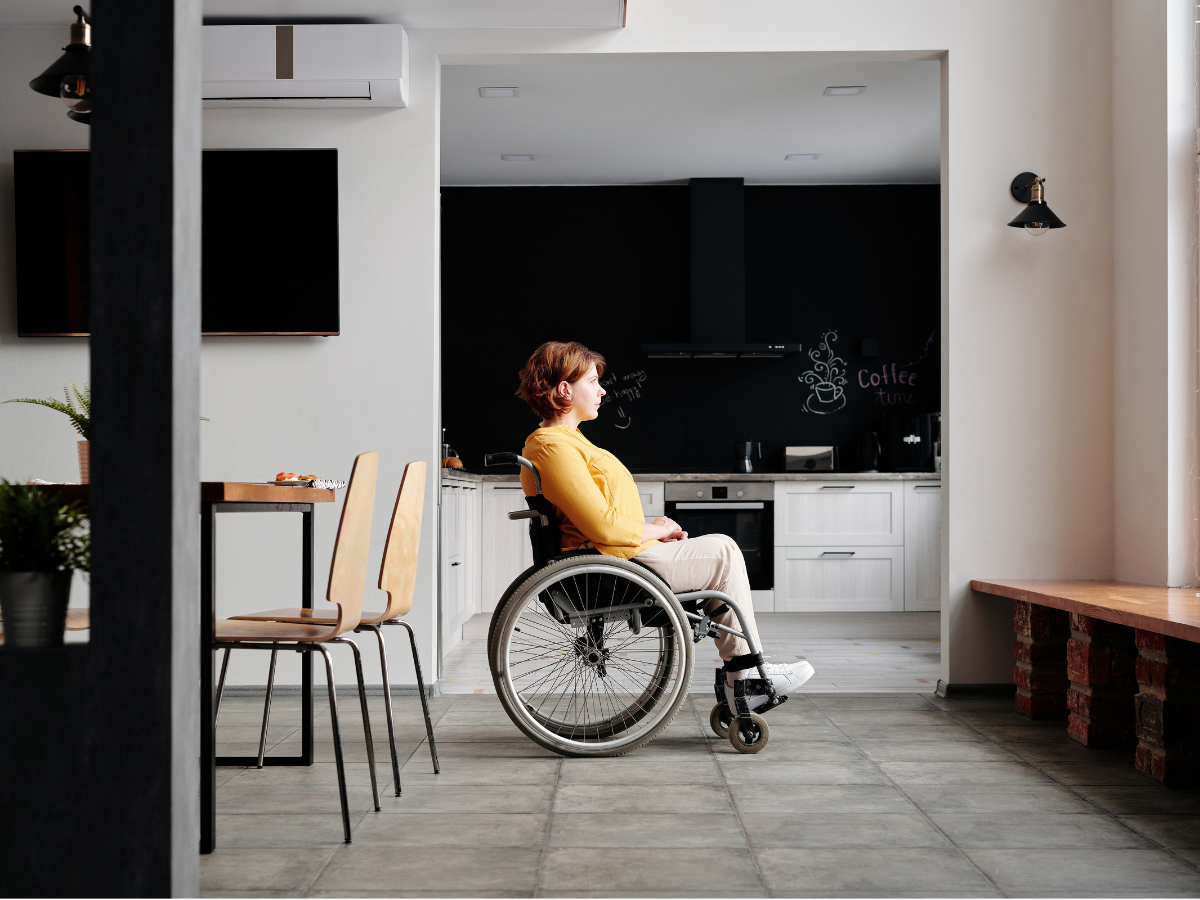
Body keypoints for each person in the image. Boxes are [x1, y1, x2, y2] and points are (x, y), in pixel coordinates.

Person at [515, 340, 814, 713]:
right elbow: (603, 528)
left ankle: (742, 677)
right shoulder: (550, 446)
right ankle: (745, 677)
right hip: (608, 567)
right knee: (723, 550)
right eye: (593, 381)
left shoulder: (568, 441)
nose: (602, 390)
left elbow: (598, 517)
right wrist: (655, 530)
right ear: (564, 389)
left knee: (718, 555)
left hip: (620, 556)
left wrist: (649, 528)